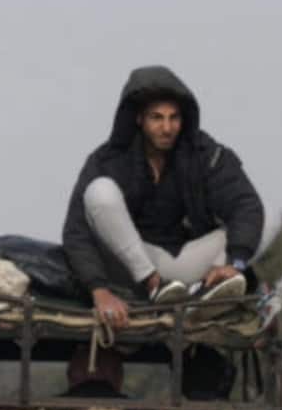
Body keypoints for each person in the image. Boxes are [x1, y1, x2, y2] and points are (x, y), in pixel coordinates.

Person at [62, 66, 266, 329]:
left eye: (174, 118)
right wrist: (98, 290)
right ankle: (154, 286)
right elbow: (75, 232)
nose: (167, 128)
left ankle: (212, 291)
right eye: (157, 118)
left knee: (267, 216)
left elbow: (245, 204)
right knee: (99, 192)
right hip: (134, 268)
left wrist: (235, 263)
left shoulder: (203, 153)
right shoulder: (107, 160)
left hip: (184, 267)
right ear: (139, 119)